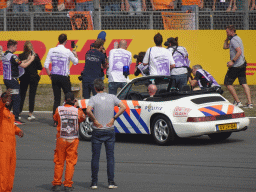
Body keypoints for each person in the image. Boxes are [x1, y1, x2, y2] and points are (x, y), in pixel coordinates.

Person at [86, 79, 126, 189]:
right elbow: (123, 107)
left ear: (95, 88)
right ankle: (111, 182)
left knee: (95, 157)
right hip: (109, 129)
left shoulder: (93, 98)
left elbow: (88, 111)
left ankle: (94, 182)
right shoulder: (112, 97)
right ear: (104, 88)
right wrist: (114, 118)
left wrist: (95, 120)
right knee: (110, 157)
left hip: (97, 130)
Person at [51, 92, 86, 192]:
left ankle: (57, 184)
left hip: (61, 138)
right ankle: (68, 185)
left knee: (59, 161)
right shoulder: (77, 110)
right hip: (73, 139)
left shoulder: (59, 109)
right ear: (74, 100)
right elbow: (82, 118)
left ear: (65, 100)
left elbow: (55, 118)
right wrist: (78, 107)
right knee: (70, 162)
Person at [44, 34, 79, 126]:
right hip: (64, 77)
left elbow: (46, 65)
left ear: (58, 40)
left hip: (54, 76)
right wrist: (76, 54)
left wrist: (49, 75)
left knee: (57, 99)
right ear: (66, 41)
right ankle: (70, 118)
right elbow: (76, 62)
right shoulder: (67, 51)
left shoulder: (52, 50)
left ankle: (55, 120)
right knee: (69, 97)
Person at [1, 39, 35, 125]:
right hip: (12, 80)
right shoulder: (13, 56)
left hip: (6, 79)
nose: (16, 48)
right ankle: (15, 118)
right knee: (17, 98)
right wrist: (32, 60)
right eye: (16, 46)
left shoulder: (5, 55)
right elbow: (23, 65)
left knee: (11, 98)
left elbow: (18, 63)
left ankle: (5, 115)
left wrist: (28, 59)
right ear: (12, 46)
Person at [0, 89, 24, 192]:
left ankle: (8, 190)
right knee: (3, 171)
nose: (9, 100)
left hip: (11, 146)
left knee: (10, 171)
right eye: (7, 98)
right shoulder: (1, 111)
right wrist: (3, 99)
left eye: (9, 98)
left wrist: (18, 131)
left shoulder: (9, 113)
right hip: (3, 145)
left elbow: (11, 126)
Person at [223, 25, 252, 108]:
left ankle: (238, 102)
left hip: (236, 65)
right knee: (244, 83)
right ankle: (250, 103)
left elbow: (239, 51)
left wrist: (232, 61)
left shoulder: (233, 40)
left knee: (227, 83)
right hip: (242, 64)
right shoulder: (237, 38)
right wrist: (226, 39)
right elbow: (225, 47)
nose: (227, 33)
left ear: (232, 31)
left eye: (227, 32)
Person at [19, 41, 43, 121]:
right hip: (33, 77)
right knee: (32, 95)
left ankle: (18, 113)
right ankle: (30, 113)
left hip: (23, 77)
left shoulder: (21, 55)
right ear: (31, 48)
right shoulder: (35, 56)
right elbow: (40, 67)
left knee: (22, 95)